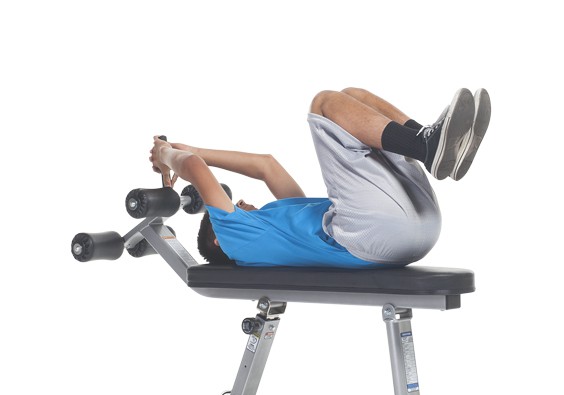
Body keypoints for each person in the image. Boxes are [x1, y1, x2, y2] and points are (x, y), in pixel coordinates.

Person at [149, 87, 491, 268]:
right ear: (217, 240)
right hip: (373, 236)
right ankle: (426, 147)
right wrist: (164, 155)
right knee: (324, 103)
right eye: (230, 208)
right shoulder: (234, 240)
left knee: (353, 96)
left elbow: (267, 166)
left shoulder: (281, 226)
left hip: (417, 229)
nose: (237, 202)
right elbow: (195, 168)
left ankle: (429, 144)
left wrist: (195, 149)